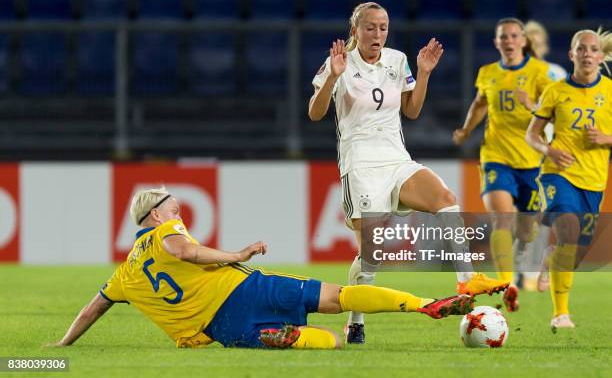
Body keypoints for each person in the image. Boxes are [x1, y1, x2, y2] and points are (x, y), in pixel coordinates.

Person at [47, 187, 475, 349]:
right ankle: (424, 304)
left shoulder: (124, 273)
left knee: (327, 343)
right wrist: (238, 254)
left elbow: (91, 310)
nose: (177, 208)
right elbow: (185, 252)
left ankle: (284, 337)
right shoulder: (167, 232)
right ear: (155, 215)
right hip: (243, 291)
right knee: (336, 297)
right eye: (170, 204)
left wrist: (63, 346)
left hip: (221, 330)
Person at [308, 1, 508, 344]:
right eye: (370, 27)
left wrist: (425, 72)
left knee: (445, 199)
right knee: (371, 255)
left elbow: (412, 111)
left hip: (396, 158)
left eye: (383, 27)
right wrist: (332, 79)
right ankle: (355, 321)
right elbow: (315, 113)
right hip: (360, 164)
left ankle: (466, 278)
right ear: (355, 30)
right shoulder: (339, 63)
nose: (377, 34)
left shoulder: (397, 61)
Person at [452, 18, 554, 312]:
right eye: (502, 37)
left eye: (513, 36)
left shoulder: (539, 72)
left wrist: (533, 107)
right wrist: (466, 130)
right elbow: (480, 103)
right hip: (496, 155)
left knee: (526, 231)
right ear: (496, 43)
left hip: (531, 160)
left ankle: (526, 255)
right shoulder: (487, 73)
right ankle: (507, 285)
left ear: (523, 41)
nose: (508, 41)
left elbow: (553, 110)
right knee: (502, 217)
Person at [526, 28, 612, 331]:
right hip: (557, 173)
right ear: (571, 54)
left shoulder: (611, 92)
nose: (587, 53)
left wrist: (606, 137)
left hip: (593, 181)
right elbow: (532, 135)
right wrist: (548, 149)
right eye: (581, 48)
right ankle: (560, 314)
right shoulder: (555, 91)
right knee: (569, 231)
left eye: (592, 49)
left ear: (600, 57)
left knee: (574, 254)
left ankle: (551, 257)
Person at [523, 20, 567, 292]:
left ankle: (535, 271)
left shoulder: (556, 73)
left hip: (548, 149)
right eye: (529, 41)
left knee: (542, 213)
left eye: (537, 41)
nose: (533, 46)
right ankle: (521, 272)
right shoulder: (513, 74)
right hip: (518, 151)